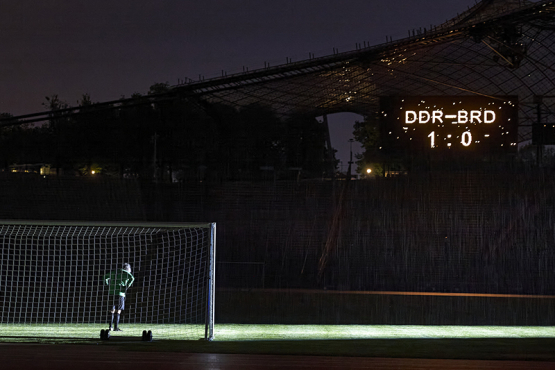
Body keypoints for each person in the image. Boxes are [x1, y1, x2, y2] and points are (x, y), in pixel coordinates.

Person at [104, 263, 135, 331]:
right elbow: (132, 278)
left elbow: (105, 277)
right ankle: (116, 327)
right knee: (118, 310)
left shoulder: (114, 272)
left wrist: (107, 285)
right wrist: (127, 286)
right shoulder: (126, 273)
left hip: (111, 292)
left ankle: (110, 327)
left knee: (111, 310)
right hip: (120, 293)